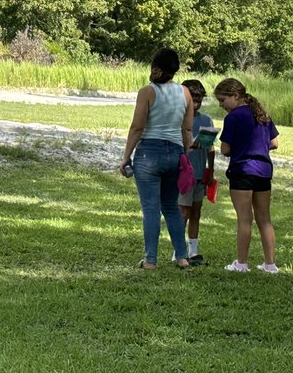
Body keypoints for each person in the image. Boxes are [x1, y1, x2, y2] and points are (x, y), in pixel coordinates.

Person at [119, 48, 193, 270]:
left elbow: (137, 127)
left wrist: (126, 157)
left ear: (156, 66)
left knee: (151, 208)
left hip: (149, 152)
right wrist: (185, 156)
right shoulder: (186, 93)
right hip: (175, 152)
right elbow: (187, 129)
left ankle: (150, 260)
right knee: (171, 207)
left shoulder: (147, 92)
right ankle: (182, 256)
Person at [215, 78, 280, 273]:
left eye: (222, 100)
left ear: (235, 96)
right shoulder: (262, 114)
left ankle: (242, 263)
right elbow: (274, 143)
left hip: (242, 170)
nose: (221, 105)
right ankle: (270, 264)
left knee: (244, 218)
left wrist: (239, 147)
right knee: (264, 219)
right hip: (263, 170)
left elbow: (225, 149)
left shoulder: (233, 118)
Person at [179, 79, 215, 265]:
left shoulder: (206, 120)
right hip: (184, 174)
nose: (195, 104)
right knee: (183, 212)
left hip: (201, 173)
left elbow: (210, 148)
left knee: (196, 212)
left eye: (199, 99)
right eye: (192, 99)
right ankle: (179, 251)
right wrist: (190, 145)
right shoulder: (178, 118)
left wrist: (211, 170)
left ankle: (193, 251)